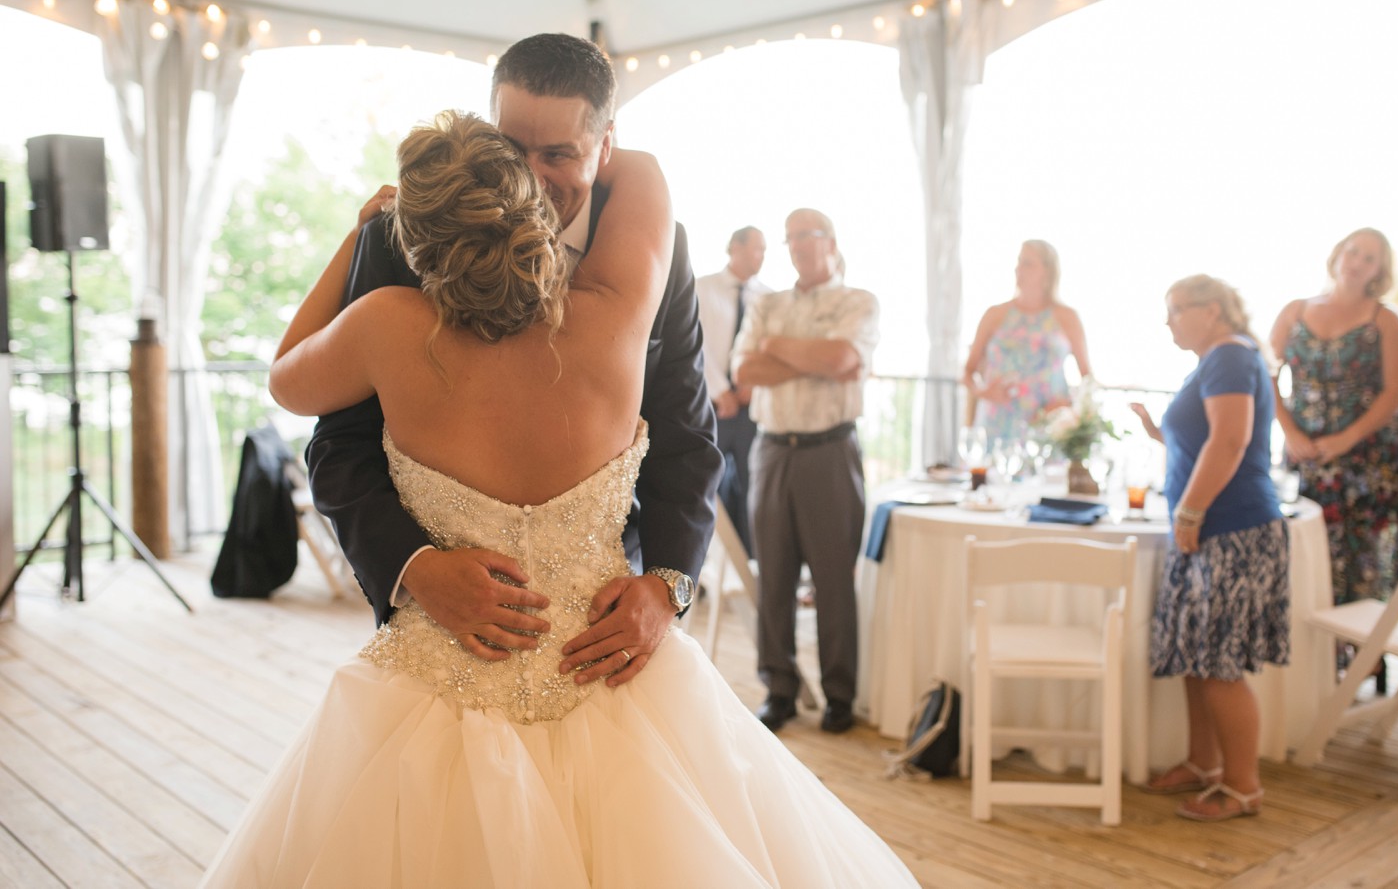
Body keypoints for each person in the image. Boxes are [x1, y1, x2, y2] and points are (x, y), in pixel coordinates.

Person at [200, 112, 920, 887]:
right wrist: (588, 144)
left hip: (439, 685)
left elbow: (285, 377)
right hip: (612, 683)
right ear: (528, 215)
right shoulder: (613, 314)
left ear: (413, 242)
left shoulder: (383, 326)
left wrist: (358, 232)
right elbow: (642, 178)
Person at [305, 34, 720, 679]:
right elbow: (340, 443)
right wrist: (412, 568)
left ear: (605, 146)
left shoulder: (660, 249)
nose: (529, 175)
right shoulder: (406, 235)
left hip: (604, 627)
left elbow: (686, 432)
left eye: (559, 154)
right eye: (511, 148)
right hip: (440, 634)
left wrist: (669, 585)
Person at [1130, 275, 1288, 823]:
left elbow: (1230, 440)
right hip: (1210, 529)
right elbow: (1205, 436)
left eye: (1175, 309)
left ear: (1212, 310)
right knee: (1198, 659)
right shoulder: (1218, 360)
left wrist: (1191, 510)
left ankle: (1243, 787)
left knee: (1219, 665)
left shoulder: (1229, 357)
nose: (1168, 320)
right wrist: (1159, 433)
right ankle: (1203, 764)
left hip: (1230, 529)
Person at [733, 208, 879, 735]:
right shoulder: (767, 302)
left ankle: (840, 694)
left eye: (805, 236)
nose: (795, 246)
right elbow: (744, 369)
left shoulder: (857, 301)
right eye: (789, 237)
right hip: (771, 452)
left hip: (829, 452)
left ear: (830, 242)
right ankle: (780, 689)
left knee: (833, 579)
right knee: (772, 575)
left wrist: (777, 349)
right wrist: (808, 358)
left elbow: (842, 358)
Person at [1268, 229, 1398, 637]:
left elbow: (1396, 392)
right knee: (1307, 552)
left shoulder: (1385, 321)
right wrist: (1291, 431)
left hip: (1367, 460)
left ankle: (1362, 656)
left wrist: (1345, 440)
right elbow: (1266, 375)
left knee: (1361, 558)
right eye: (1353, 251)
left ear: (1379, 271)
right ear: (1337, 255)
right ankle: (1308, 654)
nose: (1357, 262)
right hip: (1304, 455)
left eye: (1369, 258)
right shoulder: (1294, 311)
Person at [963, 239, 1091, 448]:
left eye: (1027, 263)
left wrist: (1066, 404)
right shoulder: (995, 314)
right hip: (996, 426)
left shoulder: (1067, 317)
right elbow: (967, 372)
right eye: (1018, 261)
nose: (1018, 269)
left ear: (1047, 271)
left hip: (1046, 429)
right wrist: (983, 392)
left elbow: (1088, 380)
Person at [696, 226, 770, 556]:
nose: (762, 257)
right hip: (711, 407)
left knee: (755, 486)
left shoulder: (768, 298)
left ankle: (753, 562)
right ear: (734, 248)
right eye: (757, 249)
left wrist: (752, 384)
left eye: (765, 251)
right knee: (702, 484)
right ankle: (701, 563)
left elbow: (767, 351)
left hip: (751, 410)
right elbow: (695, 344)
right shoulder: (702, 288)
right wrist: (720, 389)